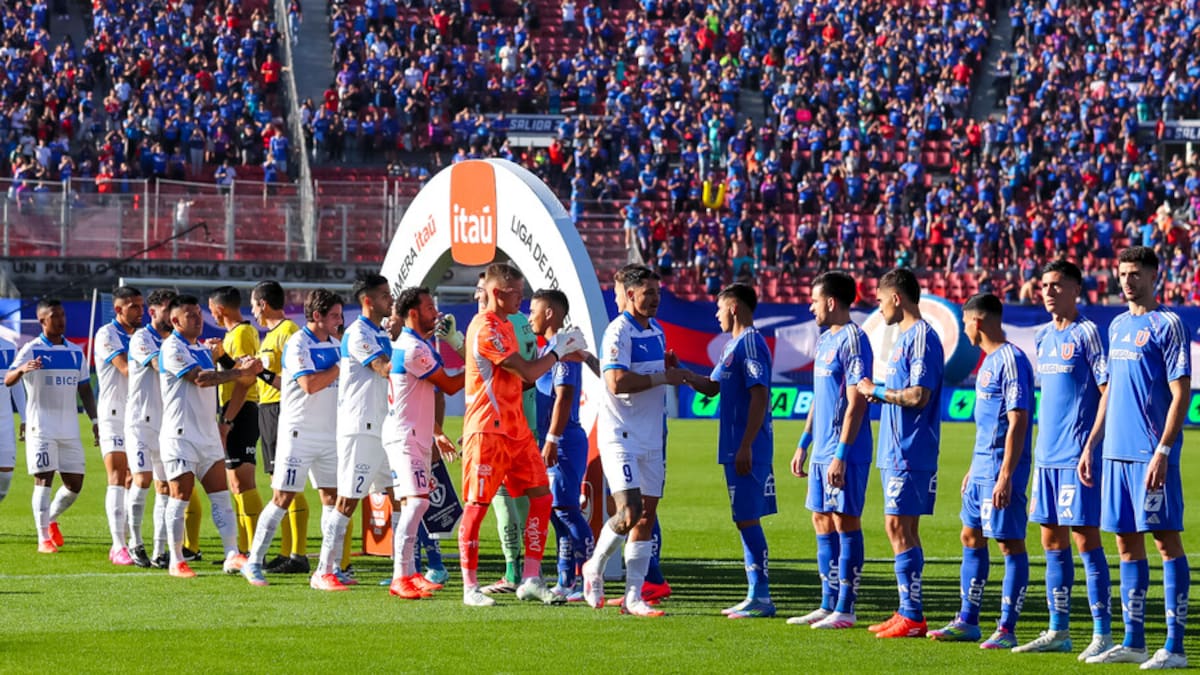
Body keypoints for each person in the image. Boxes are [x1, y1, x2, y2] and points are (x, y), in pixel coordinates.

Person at [1081, 246, 1191, 669]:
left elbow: (1180, 393)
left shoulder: (1169, 324)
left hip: (1149, 455)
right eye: (1123, 273)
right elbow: (1110, 396)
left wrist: (1163, 450)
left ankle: (1176, 647)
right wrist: (1093, 443)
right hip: (1115, 454)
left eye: (1136, 273)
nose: (1127, 280)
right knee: (1126, 545)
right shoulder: (1117, 326)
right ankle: (1134, 641)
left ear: (1153, 275)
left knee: (1165, 543)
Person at [458, 262, 587, 607]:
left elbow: (525, 378)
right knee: (477, 506)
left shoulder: (505, 326)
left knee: (542, 497)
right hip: (488, 431)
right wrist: (558, 350)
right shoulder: (485, 328)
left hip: (515, 432)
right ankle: (469, 587)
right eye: (517, 293)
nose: (522, 299)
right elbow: (529, 370)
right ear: (497, 294)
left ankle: (531, 577)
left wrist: (559, 351)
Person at [1013, 260, 1113, 658]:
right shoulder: (1041, 337)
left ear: (1076, 290)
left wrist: (1091, 445)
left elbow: (1107, 392)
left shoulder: (1089, 333)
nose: (1049, 291)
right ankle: (1059, 630)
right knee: (1050, 539)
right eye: (1044, 285)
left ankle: (1102, 633)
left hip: (1077, 456)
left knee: (1085, 538)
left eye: (1057, 285)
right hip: (1046, 456)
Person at [927, 293, 1033, 649]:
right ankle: (968, 620)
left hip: (1003, 470)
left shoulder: (1012, 360)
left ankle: (1006, 627)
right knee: (970, 536)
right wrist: (974, 468)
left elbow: (1018, 420)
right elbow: (988, 423)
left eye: (965, 323)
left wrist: (1006, 474)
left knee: (1009, 544)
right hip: (981, 469)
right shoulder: (986, 363)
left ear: (977, 322)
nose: (964, 330)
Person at [581, 265, 687, 617]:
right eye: (648, 294)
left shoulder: (655, 330)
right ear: (629, 295)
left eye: (657, 293)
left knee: (646, 517)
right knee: (629, 512)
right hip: (621, 435)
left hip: (651, 436)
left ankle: (633, 597)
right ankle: (593, 566)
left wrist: (667, 367)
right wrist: (663, 376)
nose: (655, 300)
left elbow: (651, 374)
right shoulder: (617, 332)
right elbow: (615, 382)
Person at [854, 268, 944, 638]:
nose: (877, 307)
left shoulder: (921, 337)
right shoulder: (905, 339)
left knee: (899, 526)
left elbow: (918, 395)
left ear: (896, 298)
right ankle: (908, 610)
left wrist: (876, 391)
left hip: (911, 450)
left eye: (879, 299)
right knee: (900, 527)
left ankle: (913, 615)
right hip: (897, 450)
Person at [438, 272, 538, 596]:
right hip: (508, 423)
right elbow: (486, 367)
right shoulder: (505, 322)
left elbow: (515, 370)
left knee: (510, 506)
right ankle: (525, 574)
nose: (478, 294)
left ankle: (518, 573)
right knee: (513, 504)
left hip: (507, 425)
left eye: (481, 289)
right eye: (477, 289)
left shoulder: (503, 323)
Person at [685, 283, 777, 618]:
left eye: (720, 308)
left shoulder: (750, 342)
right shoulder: (732, 346)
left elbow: (759, 394)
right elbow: (711, 387)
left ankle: (762, 596)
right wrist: (680, 373)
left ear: (734, 307)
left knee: (748, 518)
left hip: (746, 446)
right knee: (743, 518)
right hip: (736, 445)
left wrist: (747, 444)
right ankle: (755, 593)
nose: (716, 314)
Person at [788, 271, 873, 629]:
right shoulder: (825, 341)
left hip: (844, 450)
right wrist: (803, 444)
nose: (811, 306)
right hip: (821, 449)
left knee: (844, 521)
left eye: (814, 299)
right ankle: (827, 603)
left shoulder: (854, 339)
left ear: (831, 302)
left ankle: (846, 607)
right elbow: (817, 401)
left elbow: (856, 402)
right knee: (820, 518)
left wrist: (841, 453)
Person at [243, 290, 344, 587]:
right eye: (335, 316)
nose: (340, 321)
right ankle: (253, 562)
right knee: (282, 498)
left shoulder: (338, 344)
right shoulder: (298, 343)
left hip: (329, 434)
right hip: (298, 433)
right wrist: (341, 365)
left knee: (333, 499)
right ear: (317, 317)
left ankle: (327, 568)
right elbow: (309, 384)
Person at [158, 295, 262, 578]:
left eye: (198, 313)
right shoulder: (171, 347)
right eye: (189, 314)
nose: (198, 318)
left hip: (207, 433)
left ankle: (231, 553)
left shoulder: (202, 349)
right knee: (180, 496)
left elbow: (222, 372)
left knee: (221, 497)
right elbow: (200, 378)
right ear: (175, 321)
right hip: (180, 435)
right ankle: (176, 558)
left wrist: (241, 366)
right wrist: (238, 371)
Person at [314, 274, 394, 590]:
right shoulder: (358, 333)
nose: (390, 299)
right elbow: (385, 369)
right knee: (347, 501)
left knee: (400, 497)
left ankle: (403, 571)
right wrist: (415, 349)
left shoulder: (382, 333)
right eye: (385, 295)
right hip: (360, 427)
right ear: (367, 300)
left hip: (383, 426)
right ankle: (323, 570)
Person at [382, 287, 464, 599]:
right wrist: (479, 360)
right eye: (430, 308)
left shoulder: (416, 344)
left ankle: (409, 574)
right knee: (417, 503)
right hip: (405, 437)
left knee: (413, 503)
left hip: (410, 434)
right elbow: (451, 386)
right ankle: (400, 577)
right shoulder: (414, 348)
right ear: (413, 313)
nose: (436, 313)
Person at [6, 299, 99, 553]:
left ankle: (51, 519)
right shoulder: (31, 349)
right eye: (54, 316)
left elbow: (85, 388)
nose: (61, 320)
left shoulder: (74, 352)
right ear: (42, 321)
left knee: (74, 485)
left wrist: (95, 420)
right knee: (43, 480)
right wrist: (23, 369)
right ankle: (43, 538)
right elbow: (8, 380)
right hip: (42, 428)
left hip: (69, 429)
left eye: (63, 315)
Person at [528, 288, 594, 601]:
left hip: (565, 440)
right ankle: (566, 578)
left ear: (550, 312)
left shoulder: (565, 348)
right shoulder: (549, 350)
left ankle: (590, 575)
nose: (530, 317)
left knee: (566, 509)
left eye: (533, 310)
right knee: (556, 511)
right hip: (552, 440)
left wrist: (552, 438)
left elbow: (565, 395)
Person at [250, 281, 307, 574]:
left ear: (262, 303)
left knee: (287, 484)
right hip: (268, 408)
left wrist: (262, 372)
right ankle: (288, 552)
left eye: (253, 304)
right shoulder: (272, 334)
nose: (252, 311)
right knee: (279, 483)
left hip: (281, 409)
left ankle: (297, 553)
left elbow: (294, 379)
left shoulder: (289, 333)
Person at [208, 286, 263, 557]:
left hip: (241, 411)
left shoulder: (241, 333)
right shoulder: (235, 334)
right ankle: (245, 546)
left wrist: (227, 420)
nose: (211, 315)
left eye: (211, 310)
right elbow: (236, 370)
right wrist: (220, 357)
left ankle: (255, 549)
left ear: (220, 310)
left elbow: (245, 379)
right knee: (236, 483)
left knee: (244, 481)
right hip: (234, 410)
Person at [124, 288, 177, 569]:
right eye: (168, 309)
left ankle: (159, 551)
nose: (172, 315)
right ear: (154, 311)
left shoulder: (174, 340)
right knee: (142, 480)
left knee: (165, 486)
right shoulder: (142, 338)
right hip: (140, 423)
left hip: (165, 424)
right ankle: (135, 542)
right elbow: (159, 365)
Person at [92, 286, 145, 566]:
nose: (140, 311)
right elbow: (126, 368)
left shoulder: (143, 335)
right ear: (118, 309)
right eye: (134, 306)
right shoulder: (107, 335)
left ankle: (128, 538)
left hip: (137, 414)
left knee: (131, 478)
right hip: (113, 413)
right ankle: (117, 546)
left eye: (141, 305)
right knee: (116, 474)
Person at [0, 334, 27, 507]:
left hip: (4, 421)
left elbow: (16, 384)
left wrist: (24, 417)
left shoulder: (9, 347)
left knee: (6, 474)